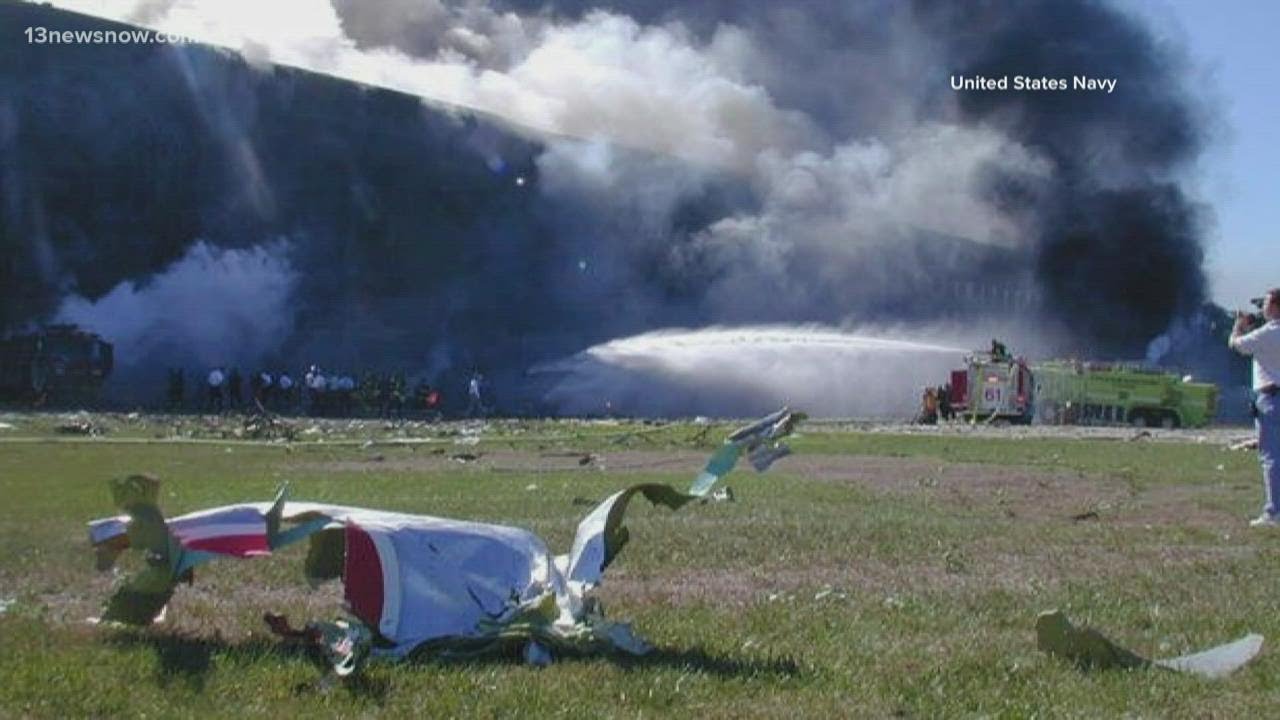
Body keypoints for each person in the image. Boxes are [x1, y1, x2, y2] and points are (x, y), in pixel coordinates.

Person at [1229, 288, 1280, 527]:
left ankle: (1274, 512)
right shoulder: (1265, 333)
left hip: (1271, 398)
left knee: (1271, 457)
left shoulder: (1268, 333)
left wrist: (1238, 324)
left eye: (1266, 304)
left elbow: (1237, 345)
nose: (1262, 308)